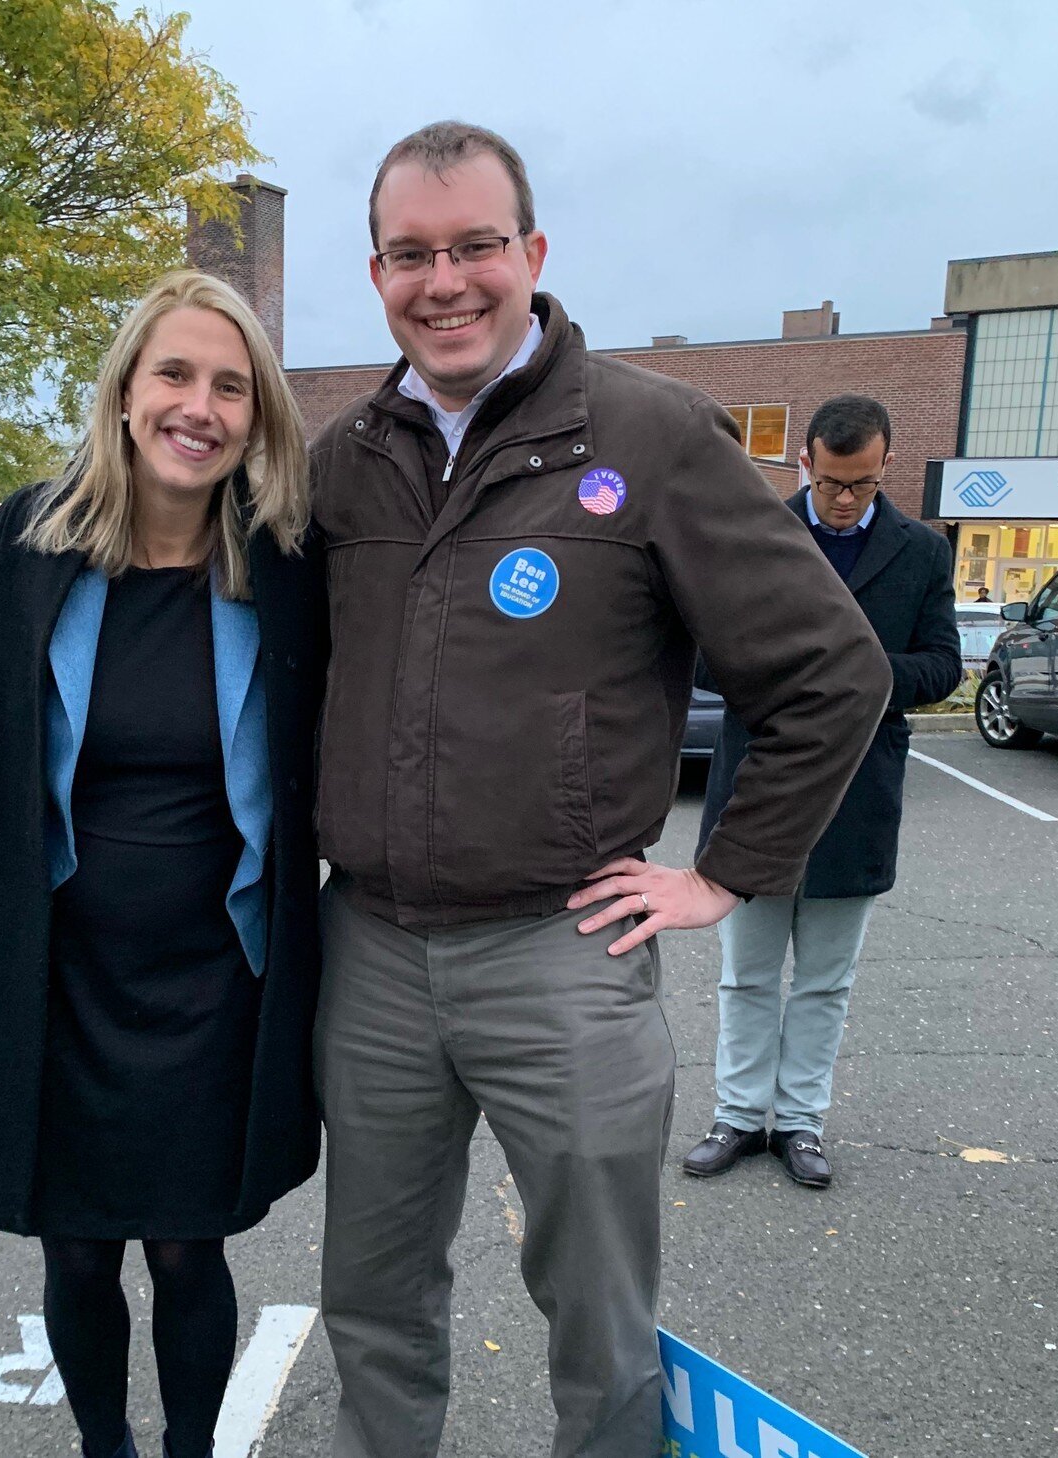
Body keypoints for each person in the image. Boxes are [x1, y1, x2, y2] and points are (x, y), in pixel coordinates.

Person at [308, 122, 892, 1458]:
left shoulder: (648, 432)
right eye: (410, 253)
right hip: (373, 951)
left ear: (531, 253)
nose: (442, 280)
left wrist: (722, 871)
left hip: (560, 946)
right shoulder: (344, 460)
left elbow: (829, 672)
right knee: (373, 1295)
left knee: (596, 1309)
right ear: (375, 268)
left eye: (472, 247)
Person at [0, 270, 326, 1458]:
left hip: (216, 975)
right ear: (124, 390)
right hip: (58, 972)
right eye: (174, 373)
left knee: (188, 1242)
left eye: (229, 386)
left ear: (256, 417)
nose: (198, 406)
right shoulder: (20, 547)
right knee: (77, 1243)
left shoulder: (289, 565)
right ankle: (105, 1446)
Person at [683, 395, 961, 1190]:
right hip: (757, 789)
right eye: (835, 482)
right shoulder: (751, 534)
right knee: (744, 974)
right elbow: (702, 656)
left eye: (863, 485)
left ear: (885, 468)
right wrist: (799, 677)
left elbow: (940, 666)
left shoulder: (918, 552)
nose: (845, 501)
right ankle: (737, 1115)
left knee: (823, 981)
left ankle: (799, 1121)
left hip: (858, 792)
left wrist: (859, 675)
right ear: (804, 462)